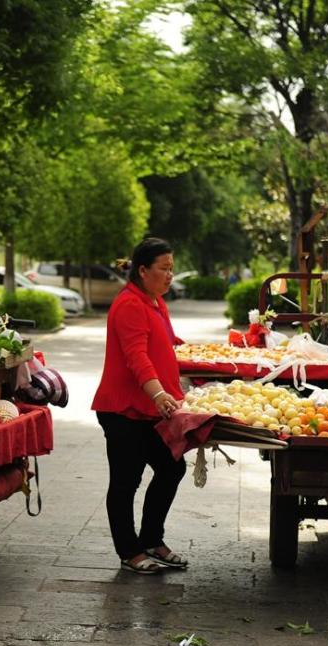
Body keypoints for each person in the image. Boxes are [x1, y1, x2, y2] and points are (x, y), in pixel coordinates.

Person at [93, 238, 187, 575]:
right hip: (123, 410)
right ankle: (129, 551)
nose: (170, 275)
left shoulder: (156, 302)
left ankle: (151, 539)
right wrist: (159, 394)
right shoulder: (129, 304)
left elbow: (165, 343)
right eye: (164, 268)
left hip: (147, 410)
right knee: (125, 481)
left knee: (172, 468)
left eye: (172, 268)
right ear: (143, 270)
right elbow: (137, 357)